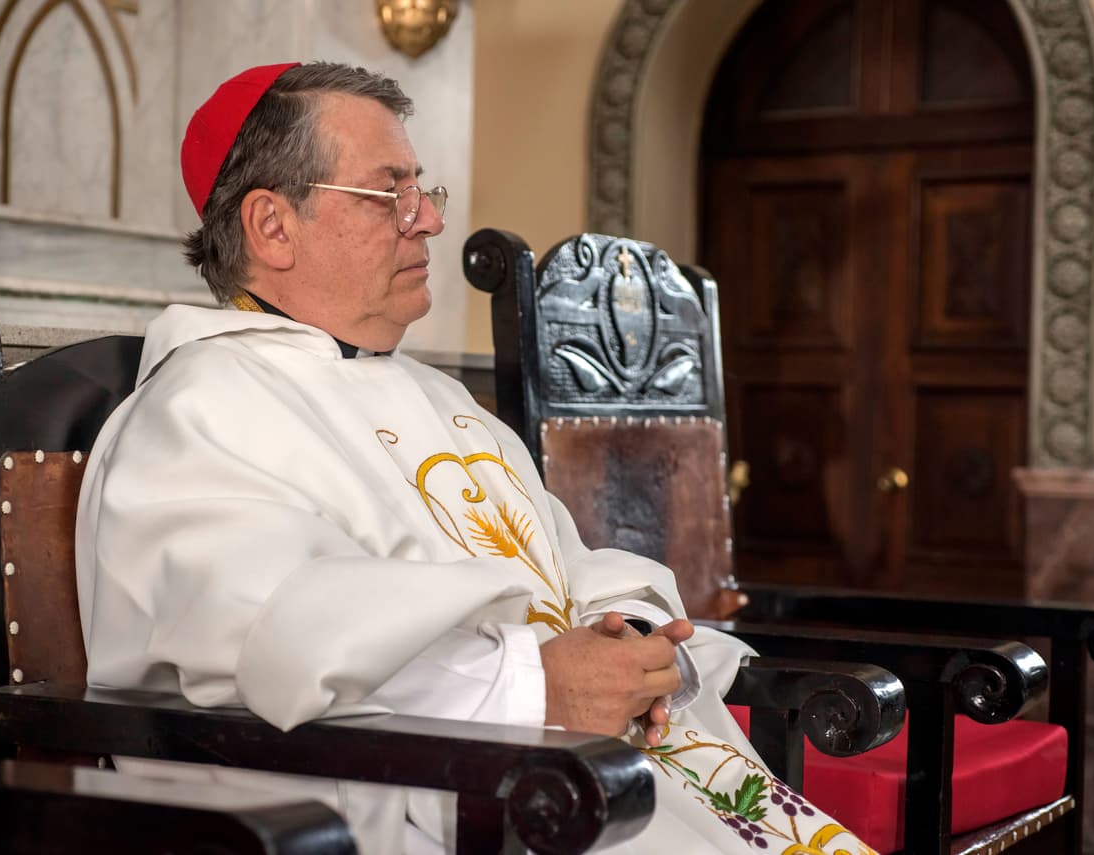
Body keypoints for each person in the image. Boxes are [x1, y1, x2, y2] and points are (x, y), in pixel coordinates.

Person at [75, 61, 874, 855]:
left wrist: (627, 639)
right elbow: (265, 649)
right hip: (433, 801)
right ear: (273, 227)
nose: (426, 220)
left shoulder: (440, 399)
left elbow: (564, 566)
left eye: (422, 190)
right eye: (390, 192)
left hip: (572, 769)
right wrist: (540, 688)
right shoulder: (201, 410)